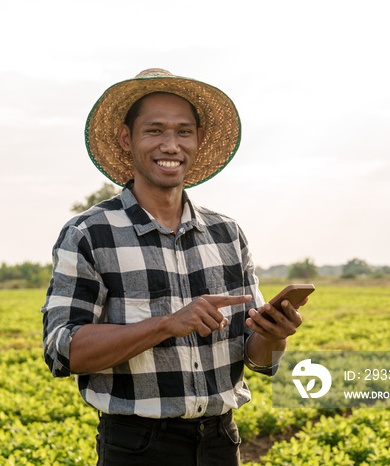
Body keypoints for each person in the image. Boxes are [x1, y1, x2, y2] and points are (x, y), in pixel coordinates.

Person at [41, 68, 306, 465]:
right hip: (137, 446)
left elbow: (256, 358)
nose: (171, 144)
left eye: (184, 131)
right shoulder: (89, 233)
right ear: (126, 139)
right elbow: (63, 350)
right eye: (155, 130)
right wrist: (166, 324)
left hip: (220, 440)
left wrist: (275, 335)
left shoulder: (227, 233)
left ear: (198, 141)